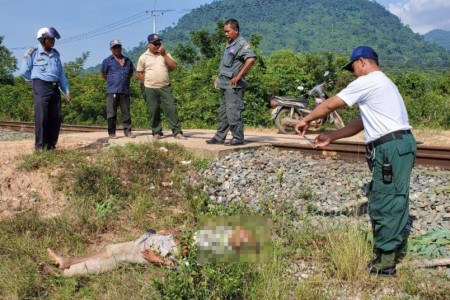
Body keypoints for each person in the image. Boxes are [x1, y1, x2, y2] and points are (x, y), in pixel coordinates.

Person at [295, 46, 416, 276]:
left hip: (391, 148)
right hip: (398, 146)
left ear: (362, 62)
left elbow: (330, 104)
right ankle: (390, 251)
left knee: (385, 201)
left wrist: (307, 119)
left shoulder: (370, 80)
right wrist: (332, 136)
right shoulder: (384, 84)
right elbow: (360, 122)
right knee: (393, 197)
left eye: (353, 69)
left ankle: (385, 263)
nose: (353, 74)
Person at [38, 227, 256, 276]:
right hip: (149, 240)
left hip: (151, 255)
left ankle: (63, 274)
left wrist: (158, 259)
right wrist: (167, 231)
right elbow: (185, 237)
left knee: (119, 258)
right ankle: (68, 260)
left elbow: (180, 267)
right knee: (112, 248)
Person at [206, 19, 256, 146]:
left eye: (228, 31)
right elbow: (225, 65)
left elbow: (251, 59)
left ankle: (238, 138)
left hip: (233, 86)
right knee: (224, 113)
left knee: (234, 111)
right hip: (224, 84)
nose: (226, 34)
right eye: (225, 32)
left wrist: (239, 76)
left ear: (236, 30)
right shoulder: (229, 44)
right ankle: (219, 137)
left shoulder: (241, 44)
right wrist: (218, 78)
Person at [20, 27, 71, 151]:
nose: (53, 41)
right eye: (50, 38)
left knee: (56, 117)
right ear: (43, 39)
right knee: (42, 117)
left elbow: (61, 74)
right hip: (41, 86)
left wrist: (66, 90)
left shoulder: (55, 54)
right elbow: (24, 71)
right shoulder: (32, 52)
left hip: (55, 87)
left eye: (53, 39)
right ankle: (40, 146)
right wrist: (36, 81)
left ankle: (51, 145)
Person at [136, 33, 185, 140]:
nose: (157, 45)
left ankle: (177, 132)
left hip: (165, 86)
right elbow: (139, 72)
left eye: (159, 43)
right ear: (149, 44)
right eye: (155, 44)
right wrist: (146, 82)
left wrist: (164, 55)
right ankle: (157, 132)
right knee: (153, 110)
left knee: (171, 108)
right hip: (150, 88)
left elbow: (174, 66)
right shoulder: (143, 57)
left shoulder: (165, 54)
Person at [100, 39, 135, 139]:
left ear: (121, 47)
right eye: (114, 47)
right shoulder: (107, 61)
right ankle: (112, 133)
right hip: (112, 90)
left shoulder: (128, 61)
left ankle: (128, 131)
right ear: (111, 49)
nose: (117, 49)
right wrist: (113, 81)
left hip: (125, 90)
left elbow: (131, 73)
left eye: (118, 47)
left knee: (126, 112)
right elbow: (103, 74)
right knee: (111, 112)